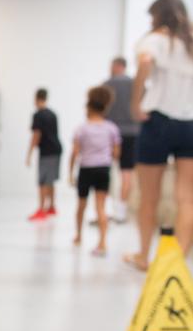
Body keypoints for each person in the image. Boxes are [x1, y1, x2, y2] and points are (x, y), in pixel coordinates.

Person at [126, 0, 193, 270]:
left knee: (149, 195)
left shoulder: (157, 39)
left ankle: (142, 256)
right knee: (186, 196)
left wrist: (136, 103)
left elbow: (145, 62)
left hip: (159, 121)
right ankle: (178, 262)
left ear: (159, 16)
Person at [69, 86, 122, 256]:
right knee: (101, 206)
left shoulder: (82, 129)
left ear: (89, 107)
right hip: (103, 169)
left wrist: (70, 173)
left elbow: (75, 153)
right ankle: (103, 242)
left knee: (81, 206)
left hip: (86, 169)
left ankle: (78, 236)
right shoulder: (111, 128)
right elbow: (116, 153)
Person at [103, 57, 141, 223]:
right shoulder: (136, 85)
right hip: (133, 133)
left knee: (107, 171)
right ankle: (121, 212)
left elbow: (101, 110)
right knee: (127, 173)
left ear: (118, 66)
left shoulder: (107, 84)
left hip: (111, 133)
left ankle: (104, 210)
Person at [25, 88, 63, 221]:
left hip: (46, 151)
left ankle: (41, 209)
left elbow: (36, 135)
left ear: (36, 98)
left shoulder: (38, 115)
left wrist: (29, 154)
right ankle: (51, 207)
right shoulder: (53, 114)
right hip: (56, 149)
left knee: (42, 181)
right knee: (50, 180)